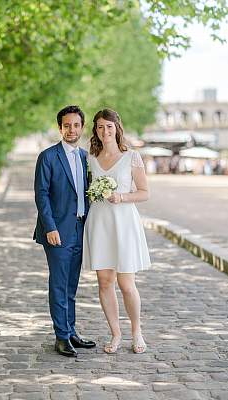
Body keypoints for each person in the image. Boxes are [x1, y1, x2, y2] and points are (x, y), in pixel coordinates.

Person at [83, 109, 151, 354]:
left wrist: (121, 196)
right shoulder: (90, 158)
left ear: (117, 127)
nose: (105, 131)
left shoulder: (132, 156)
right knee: (104, 281)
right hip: (99, 222)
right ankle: (115, 334)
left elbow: (144, 192)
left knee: (126, 283)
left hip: (123, 222)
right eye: (100, 127)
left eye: (109, 126)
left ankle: (136, 331)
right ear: (95, 130)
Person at [34, 105, 96, 357]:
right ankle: (61, 337)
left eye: (76, 125)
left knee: (71, 285)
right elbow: (42, 194)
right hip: (57, 231)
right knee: (59, 284)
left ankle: (71, 331)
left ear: (82, 127)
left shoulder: (86, 157)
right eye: (66, 125)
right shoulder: (48, 157)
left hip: (81, 228)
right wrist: (50, 227)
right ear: (60, 128)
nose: (71, 129)